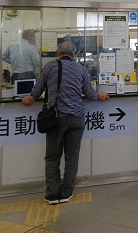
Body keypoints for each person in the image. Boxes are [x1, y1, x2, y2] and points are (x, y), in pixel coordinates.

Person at [22, 41, 109, 205]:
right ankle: (67, 192)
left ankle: (53, 194)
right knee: (72, 156)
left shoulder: (50, 67)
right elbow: (90, 93)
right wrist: (100, 97)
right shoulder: (81, 69)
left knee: (52, 157)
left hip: (56, 118)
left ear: (58, 53)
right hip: (77, 117)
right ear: (73, 54)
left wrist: (30, 98)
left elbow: (38, 89)